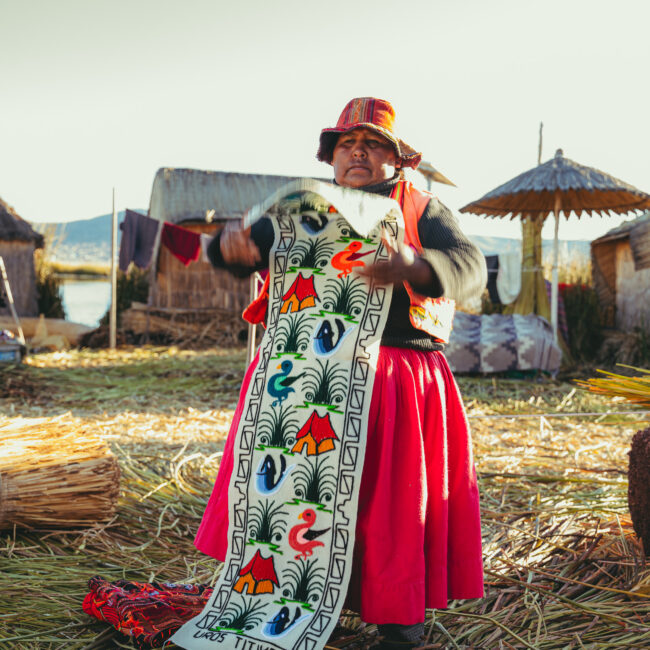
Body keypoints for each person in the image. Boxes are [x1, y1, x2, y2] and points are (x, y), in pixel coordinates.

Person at [195, 97, 486, 649]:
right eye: (347, 144)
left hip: (395, 374)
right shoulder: (304, 207)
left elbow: (470, 270)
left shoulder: (421, 209)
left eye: (372, 143)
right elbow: (241, 251)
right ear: (331, 157)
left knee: (389, 502)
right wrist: (226, 249)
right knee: (293, 496)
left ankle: (398, 620)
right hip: (303, 375)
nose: (358, 152)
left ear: (395, 158)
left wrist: (415, 267)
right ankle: (275, 595)